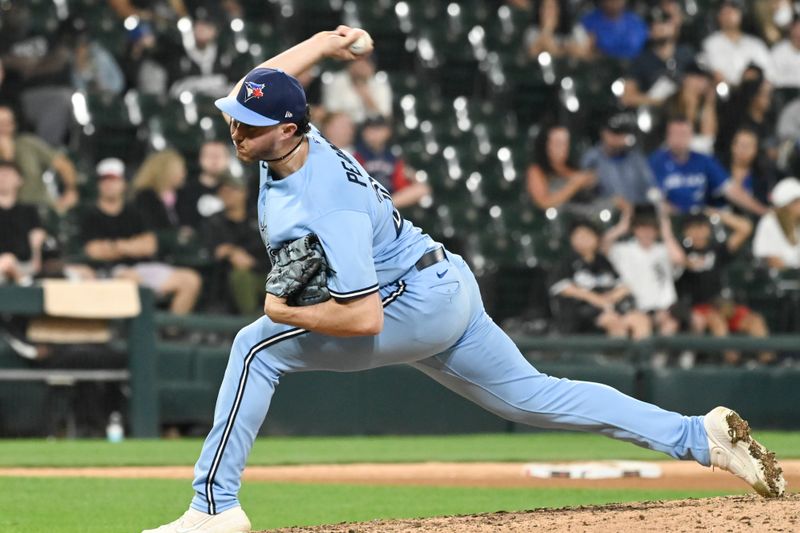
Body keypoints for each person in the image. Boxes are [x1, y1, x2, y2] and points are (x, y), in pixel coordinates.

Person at [142, 26, 785, 533]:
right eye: (235, 118)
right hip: (445, 282)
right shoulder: (282, 136)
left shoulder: (325, 199)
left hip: (408, 302)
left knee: (255, 347)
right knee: (535, 396)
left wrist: (288, 316)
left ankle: (214, 508)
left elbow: (362, 320)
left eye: (247, 124)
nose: (235, 128)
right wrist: (329, 43)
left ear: (287, 129)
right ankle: (694, 435)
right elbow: (270, 80)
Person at [79, 158, 201, 316]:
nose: (109, 184)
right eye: (104, 180)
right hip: (107, 272)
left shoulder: (134, 212)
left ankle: (170, 332)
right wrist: (132, 246)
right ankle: (137, 333)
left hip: (142, 268)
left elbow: (149, 245)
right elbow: (93, 251)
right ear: (98, 184)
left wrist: (115, 246)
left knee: (190, 280)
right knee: (130, 279)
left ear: (123, 183)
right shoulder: (89, 214)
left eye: (114, 180)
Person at [676, 210, 773, 365]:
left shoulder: (717, 250)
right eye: (693, 228)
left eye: (702, 227)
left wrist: (717, 214)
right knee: (717, 321)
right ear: (686, 231)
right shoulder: (681, 252)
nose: (698, 232)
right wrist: (686, 262)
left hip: (723, 304)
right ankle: (733, 364)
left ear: (708, 229)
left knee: (755, 321)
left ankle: (768, 365)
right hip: (699, 308)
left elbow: (745, 228)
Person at [550, 220, 650, 339]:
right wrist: (595, 299)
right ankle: (617, 357)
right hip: (581, 314)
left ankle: (642, 357)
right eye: (579, 235)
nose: (584, 239)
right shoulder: (566, 261)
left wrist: (609, 299)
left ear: (597, 238)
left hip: (611, 308)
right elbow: (562, 287)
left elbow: (623, 287)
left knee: (640, 320)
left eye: (588, 235)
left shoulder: (603, 261)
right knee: (614, 323)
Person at [648, 117, 767, 215]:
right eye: (675, 134)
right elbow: (653, 199)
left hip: (701, 219)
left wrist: (763, 211)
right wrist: (681, 214)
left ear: (691, 136)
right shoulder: (655, 162)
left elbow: (732, 190)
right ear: (667, 136)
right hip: (670, 218)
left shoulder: (703, 160)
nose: (679, 139)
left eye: (683, 134)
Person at [602, 205, 682, 337]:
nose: (646, 233)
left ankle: (660, 357)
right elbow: (602, 246)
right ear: (634, 230)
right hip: (633, 307)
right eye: (642, 228)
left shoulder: (663, 249)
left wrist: (667, 233)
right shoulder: (623, 249)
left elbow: (679, 260)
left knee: (670, 324)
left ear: (657, 231)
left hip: (663, 308)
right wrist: (620, 228)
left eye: (651, 229)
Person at [203, 175, 268, 315]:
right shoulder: (214, 222)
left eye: (232, 190)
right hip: (228, 282)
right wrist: (233, 252)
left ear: (244, 192)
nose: (227, 194)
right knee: (240, 276)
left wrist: (250, 260)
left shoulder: (260, 219)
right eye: (223, 191)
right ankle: (251, 320)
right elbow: (213, 251)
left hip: (266, 274)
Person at [0, 105, 79, 214]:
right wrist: (6, 153)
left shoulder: (26, 143)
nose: (2, 128)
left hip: (38, 207)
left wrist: (71, 190)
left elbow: (63, 164)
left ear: (13, 125)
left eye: (6, 123)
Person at [621, 4, 694, 109]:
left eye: (665, 21)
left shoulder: (686, 54)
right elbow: (627, 97)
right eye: (653, 24)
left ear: (675, 26)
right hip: (654, 116)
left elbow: (703, 86)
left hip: (685, 114)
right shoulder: (642, 59)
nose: (659, 26)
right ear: (649, 32)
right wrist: (658, 101)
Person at [580, 112, 656, 207]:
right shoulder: (592, 159)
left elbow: (651, 188)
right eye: (615, 133)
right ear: (603, 133)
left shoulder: (636, 158)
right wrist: (609, 202)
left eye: (623, 133)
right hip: (606, 214)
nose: (619, 138)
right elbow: (585, 196)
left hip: (638, 214)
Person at [353, 116, 430, 209]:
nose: (373, 133)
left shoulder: (393, 156)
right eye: (369, 129)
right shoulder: (356, 153)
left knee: (421, 188)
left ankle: (384, 207)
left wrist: (410, 176)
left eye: (378, 129)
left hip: (390, 197)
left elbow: (400, 182)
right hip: (367, 199)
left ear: (387, 132)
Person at [526, 124, 600, 214]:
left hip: (584, 212)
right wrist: (574, 185)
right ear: (546, 145)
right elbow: (543, 203)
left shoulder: (572, 167)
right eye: (557, 143)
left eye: (565, 143)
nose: (563, 148)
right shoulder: (536, 170)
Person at [701, 0, 773, 87]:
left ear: (740, 15)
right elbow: (715, 73)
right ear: (718, 17)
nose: (728, 16)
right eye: (724, 13)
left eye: (732, 12)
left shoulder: (755, 44)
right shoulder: (711, 43)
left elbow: (768, 70)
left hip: (752, 91)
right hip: (725, 93)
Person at [0, 161, 46, 285]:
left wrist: (36, 253)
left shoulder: (29, 211)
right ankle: (23, 283)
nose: (3, 177)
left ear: (19, 180)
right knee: (6, 261)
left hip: (23, 265)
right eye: (1, 173)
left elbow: (36, 245)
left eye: (8, 174)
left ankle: (21, 280)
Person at [177, 140, 234, 228]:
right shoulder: (185, 191)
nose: (214, 160)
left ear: (228, 160)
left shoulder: (237, 191)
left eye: (219, 155)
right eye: (209, 155)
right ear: (200, 159)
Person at [321, 55, 392, 124]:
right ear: (349, 65)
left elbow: (385, 116)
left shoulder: (379, 84)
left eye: (365, 64)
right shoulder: (337, 81)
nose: (361, 68)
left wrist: (366, 96)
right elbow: (330, 111)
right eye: (357, 63)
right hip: (344, 126)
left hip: (369, 127)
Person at [753, 177, 800, 269]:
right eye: (797, 201)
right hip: (781, 278)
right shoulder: (769, 222)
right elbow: (771, 260)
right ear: (788, 205)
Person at [578, 0, 649, 61]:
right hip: (601, 67)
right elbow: (584, 51)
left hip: (636, 68)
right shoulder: (588, 22)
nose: (614, 3)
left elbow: (641, 47)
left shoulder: (636, 21)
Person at [770, 16, 800, 89]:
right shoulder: (778, 51)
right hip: (785, 93)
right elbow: (771, 79)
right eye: (797, 27)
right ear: (791, 28)